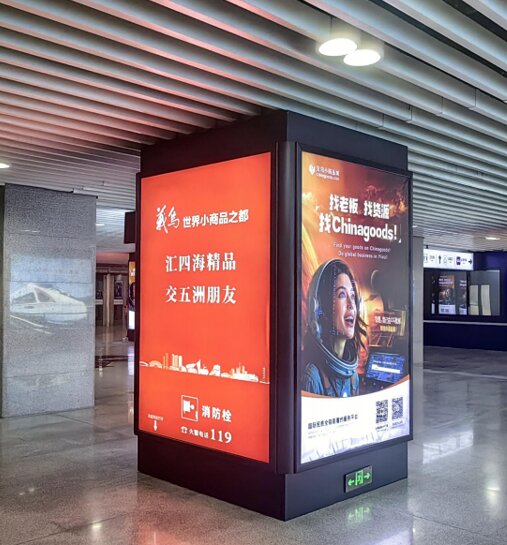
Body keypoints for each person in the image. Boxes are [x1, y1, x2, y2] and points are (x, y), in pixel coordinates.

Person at [302, 259, 367, 397]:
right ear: (321, 308)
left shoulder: (353, 377)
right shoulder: (312, 378)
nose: (351, 304)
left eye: (352, 296)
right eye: (342, 295)